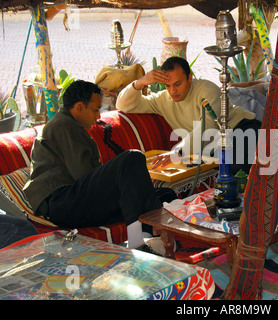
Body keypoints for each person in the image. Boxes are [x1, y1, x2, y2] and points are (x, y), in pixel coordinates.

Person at [23, 80, 171, 251]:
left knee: (164, 194)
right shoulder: (64, 125)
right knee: (132, 158)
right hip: (61, 203)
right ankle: (138, 241)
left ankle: (148, 239)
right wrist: (121, 178)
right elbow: (84, 175)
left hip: (76, 201)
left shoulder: (70, 126)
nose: (98, 116)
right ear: (79, 107)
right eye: (95, 110)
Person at [116, 56, 260, 175]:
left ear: (190, 77)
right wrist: (140, 83)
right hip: (213, 148)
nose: (173, 91)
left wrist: (177, 153)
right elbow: (123, 105)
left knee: (238, 177)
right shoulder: (162, 100)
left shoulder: (206, 89)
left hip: (243, 131)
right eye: (168, 85)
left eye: (177, 84)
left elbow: (208, 127)